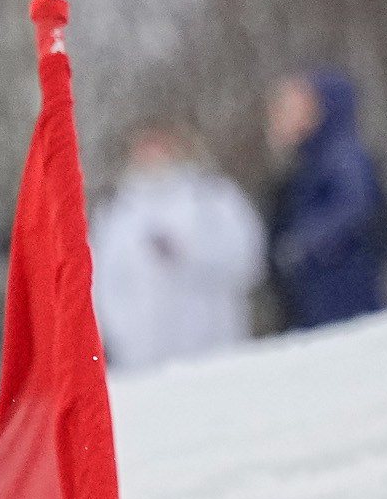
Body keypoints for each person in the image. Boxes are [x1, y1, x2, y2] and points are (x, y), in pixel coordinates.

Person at [90, 122, 265, 370]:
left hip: (215, 351)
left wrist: (189, 254)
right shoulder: (118, 214)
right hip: (141, 360)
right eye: (145, 145)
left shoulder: (213, 198)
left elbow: (247, 263)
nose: (152, 153)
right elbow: (100, 283)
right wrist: (119, 334)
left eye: (160, 143)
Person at [265, 69, 387, 330]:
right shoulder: (314, 160)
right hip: (323, 294)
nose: (279, 115)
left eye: (293, 106)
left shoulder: (341, 155)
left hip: (343, 291)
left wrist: (301, 246)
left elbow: (355, 203)